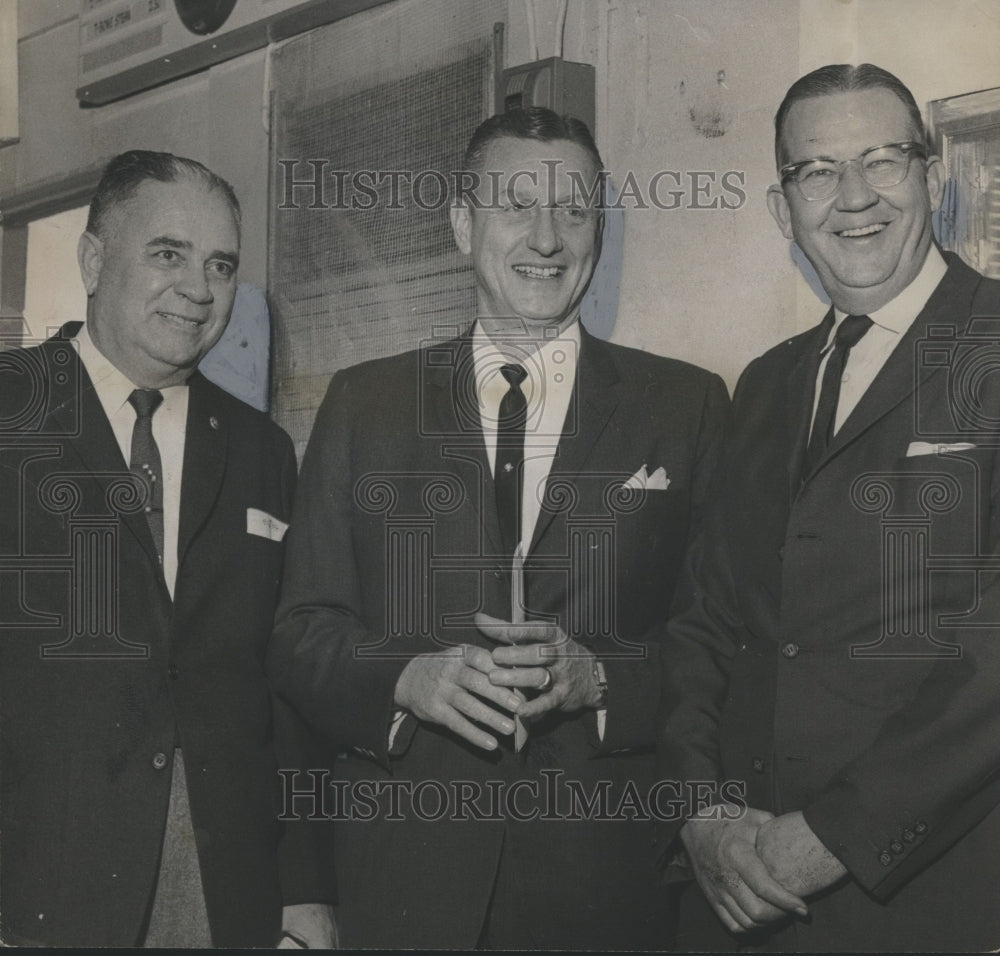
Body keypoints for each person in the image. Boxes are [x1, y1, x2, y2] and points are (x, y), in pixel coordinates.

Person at [267, 107, 729, 950]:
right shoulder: (364, 404)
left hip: (609, 893)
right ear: (460, 223)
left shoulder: (688, 406)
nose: (547, 239)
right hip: (405, 887)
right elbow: (302, 634)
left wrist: (601, 681)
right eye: (516, 205)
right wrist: (406, 679)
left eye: (575, 210)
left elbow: (716, 643)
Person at [659, 63, 1000, 951]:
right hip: (739, 902)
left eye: (882, 160)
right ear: (784, 210)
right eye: (816, 172)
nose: (853, 197)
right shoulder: (765, 386)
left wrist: (833, 837)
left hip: (928, 902)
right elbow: (705, 623)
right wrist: (699, 815)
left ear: (932, 176)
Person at [0, 150, 335, 947]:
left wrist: (304, 889)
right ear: (92, 259)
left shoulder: (260, 449)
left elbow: (282, 683)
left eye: (221, 264)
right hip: (33, 884)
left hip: (218, 890)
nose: (198, 288)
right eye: (167, 253)